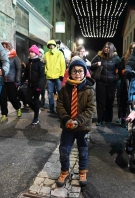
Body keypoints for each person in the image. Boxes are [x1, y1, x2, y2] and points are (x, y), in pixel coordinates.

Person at [56, 57, 95, 187]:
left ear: (84, 73)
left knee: (83, 150)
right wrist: (66, 119)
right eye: (74, 71)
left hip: (82, 126)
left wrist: (78, 121)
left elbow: (90, 109)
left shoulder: (89, 90)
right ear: (70, 73)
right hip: (68, 126)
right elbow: (60, 105)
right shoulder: (64, 90)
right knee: (64, 150)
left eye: (80, 71)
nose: (77, 74)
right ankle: (64, 171)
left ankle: (82, 171)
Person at [90, 42, 121, 126]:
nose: (106, 49)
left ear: (112, 49)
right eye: (105, 47)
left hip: (112, 83)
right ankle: (100, 119)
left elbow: (121, 69)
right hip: (101, 82)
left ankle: (108, 119)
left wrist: (116, 77)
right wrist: (97, 64)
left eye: (108, 47)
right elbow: (91, 66)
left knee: (110, 102)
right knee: (100, 102)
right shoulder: (99, 56)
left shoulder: (116, 58)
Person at [22, 45, 45, 124]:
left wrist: (39, 87)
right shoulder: (28, 63)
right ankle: (37, 110)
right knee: (27, 99)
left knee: (36, 101)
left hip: (37, 86)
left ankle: (36, 118)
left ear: (36, 53)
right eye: (30, 52)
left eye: (32, 52)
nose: (30, 53)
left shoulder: (40, 63)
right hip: (30, 85)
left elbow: (42, 76)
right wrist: (20, 82)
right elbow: (25, 75)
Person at [0, 42, 22, 122]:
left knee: (12, 98)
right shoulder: (0, 57)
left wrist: (17, 79)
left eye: (6, 47)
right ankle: (4, 114)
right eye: (3, 47)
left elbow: (19, 68)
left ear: (9, 47)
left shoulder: (14, 57)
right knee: (2, 98)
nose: (4, 48)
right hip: (2, 81)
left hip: (12, 81)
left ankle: (18, 107)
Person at [117, 42, 135, 127]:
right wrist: (125, 72)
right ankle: (123, 118)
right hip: (125, 82)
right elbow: (120, 71)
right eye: (132, 48)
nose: (133, 50)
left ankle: (134, 119)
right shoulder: (124, 58)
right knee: (124, 101)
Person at [43, 40, 66, 114]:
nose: (51, 46)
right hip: (49, 76)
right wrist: (46, 71)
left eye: (52, 45)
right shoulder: (46, 54)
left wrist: (62, 74)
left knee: (60, 93)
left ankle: (60, 108)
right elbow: (45, 64)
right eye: (49, 45)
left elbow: (63, 64)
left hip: (58, 76)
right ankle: (51, 108)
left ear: (54, 45)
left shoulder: (59, 53)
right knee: (50, 93)